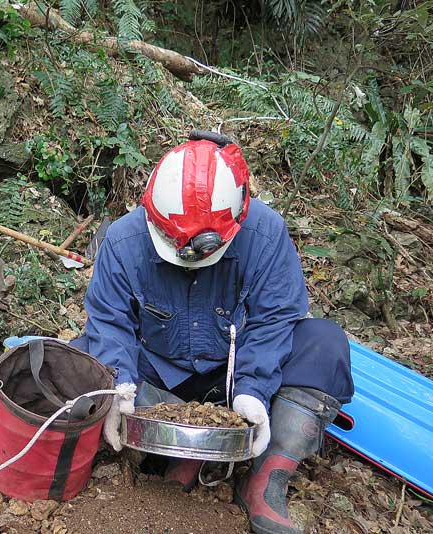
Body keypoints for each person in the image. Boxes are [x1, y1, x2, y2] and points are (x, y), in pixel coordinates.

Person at [74, 131, 353, 534]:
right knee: (79, 356)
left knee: (325, 345)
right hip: (160, 379)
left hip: (237, 372)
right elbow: (108, 322)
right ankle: (183, 453)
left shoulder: (265, 234)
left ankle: (267, 476)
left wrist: (253, 390)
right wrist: (117, 388)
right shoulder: (124, 241)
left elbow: (274, 319)